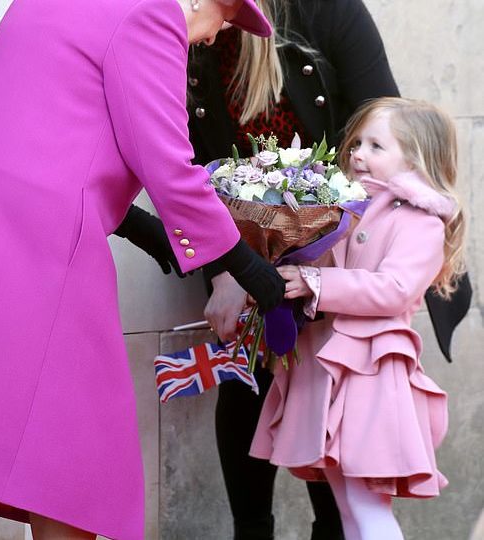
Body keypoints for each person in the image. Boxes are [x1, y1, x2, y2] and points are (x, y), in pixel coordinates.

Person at [0, 1, 287, 539]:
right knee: (73, 446)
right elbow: (168, 164)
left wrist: (145, 231)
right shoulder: (151, 15)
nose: (212, 38)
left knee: (42, 438)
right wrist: (245, 264)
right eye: (224, 20)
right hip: (41, 229)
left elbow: (48, 127)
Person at [186, 1, 471, 538]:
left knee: (337, 435)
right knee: (247, 385)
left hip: (337, 251)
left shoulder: (324, 8)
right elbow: (185, 162)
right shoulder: (192, 27)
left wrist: (323, 270)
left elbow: (388, 126)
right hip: (238, 239)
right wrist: (225, 268)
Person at [250, 96, 463, 540]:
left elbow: (396, 289)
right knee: (349, 508)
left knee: (367, 509)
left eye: (376, 146)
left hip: (369, 372)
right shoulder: (343, 210)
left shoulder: (420, 221)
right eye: (357, 143)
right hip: (330, 366)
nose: (357, 154)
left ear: (416, 157)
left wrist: (317, 283)